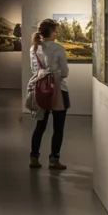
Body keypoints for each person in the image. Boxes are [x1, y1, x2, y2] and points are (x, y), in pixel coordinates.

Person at [28, 18, 70, 170]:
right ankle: (54, 160)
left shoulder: (34, 48)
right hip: (59, 90)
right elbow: (65, 73)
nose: (57, 32)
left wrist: (46, 73)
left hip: (41, 90)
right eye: (56, 30)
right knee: (58, 128)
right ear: (51, 31)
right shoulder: (58, 48)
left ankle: (34, 158)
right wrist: (56, 73)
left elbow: (35, 71)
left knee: (40, 126)